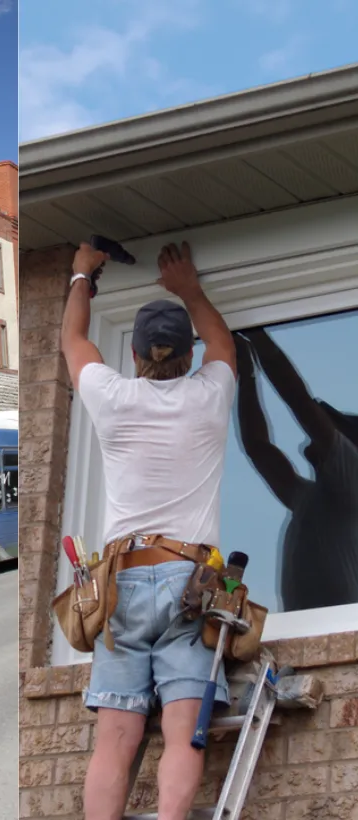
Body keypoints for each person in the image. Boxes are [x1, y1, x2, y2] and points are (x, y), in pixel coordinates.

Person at [60, 241, 238, 820]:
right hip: (192, 580)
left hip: (122, 583)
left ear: (135, 355)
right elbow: (224, 344)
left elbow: (73, 340)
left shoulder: (113, 397)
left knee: (116, 740)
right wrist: (189, 289)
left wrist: (82, 274)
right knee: (184, 732)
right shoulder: (209, 395)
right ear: (188, 355)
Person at [235, 328, 358, 611]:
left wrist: (257, 332)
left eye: (332, 428)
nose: (320, 433)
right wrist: (247, 374)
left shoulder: (353, 475)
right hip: (309, 628)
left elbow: (300, 402)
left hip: (335, 631)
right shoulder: (311, 499)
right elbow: (258, 447)